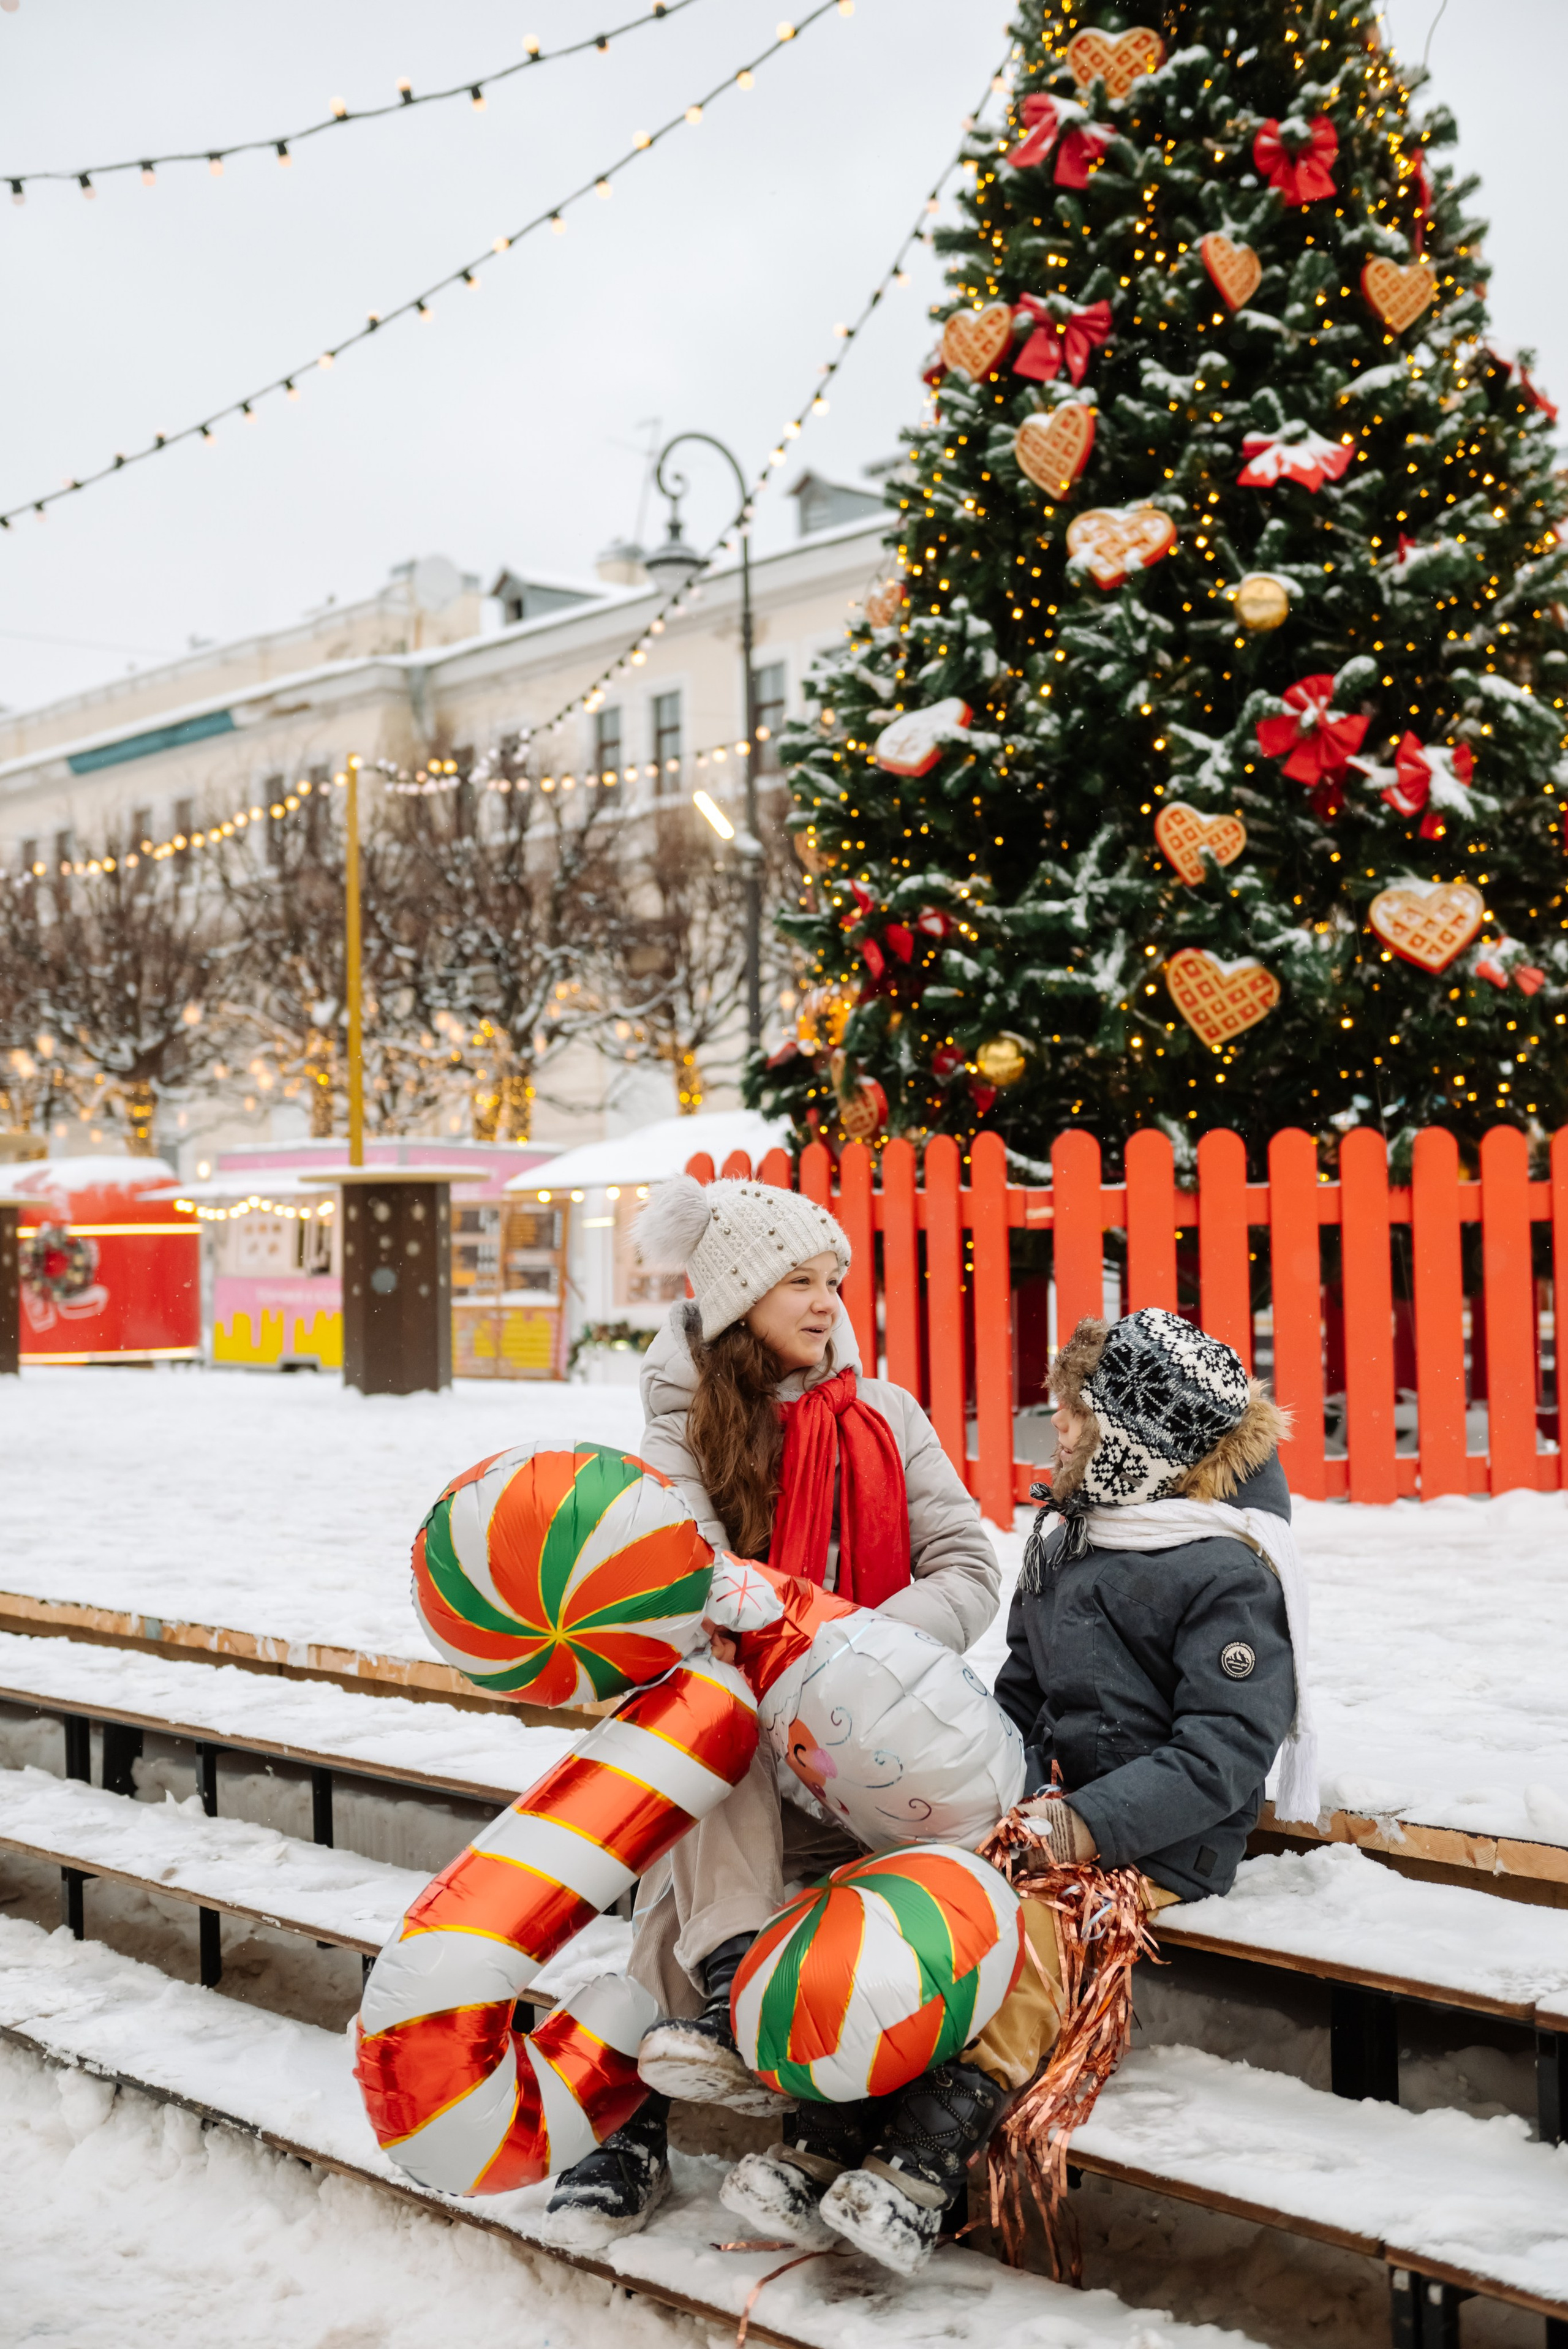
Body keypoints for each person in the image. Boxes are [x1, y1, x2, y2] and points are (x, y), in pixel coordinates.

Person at [782, 1306, 1310, 2276]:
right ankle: (828, 2127)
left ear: (1141, 1436)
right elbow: (1023, 1687)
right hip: (1047, 1804)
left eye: (1078, 1414)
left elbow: (1223, 1753)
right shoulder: (1072, 1535)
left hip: (1156, 1837)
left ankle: (928, 2158)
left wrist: (1079, 1828)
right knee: (911, 1886)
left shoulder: (1227, 1570)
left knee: (1026, 1924)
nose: (1055, 1427)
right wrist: (966, 1783)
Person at [541, 1173, 1001, 2247]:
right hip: (746, 1756)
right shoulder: (676, 1441)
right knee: (707, 1727)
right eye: (798, 1280)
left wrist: (851, 1647)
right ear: (737, 1294)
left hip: (871, 1744)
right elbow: (684, 1598)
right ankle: (721, 1988)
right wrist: (772, 1663)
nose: (826, 1302)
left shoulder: (886, 1417)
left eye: (834, 1281)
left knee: (699, 1783)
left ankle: (645, 2092)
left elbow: (970, 1567)